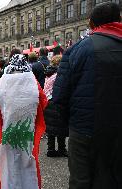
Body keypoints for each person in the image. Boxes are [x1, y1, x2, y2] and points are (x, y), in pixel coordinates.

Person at [52, 3, 122, 188]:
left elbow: (59, 95)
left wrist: (69, 125)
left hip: (84, 129)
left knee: (81, 181)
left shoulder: (78, 49)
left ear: (91, 24)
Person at [0, 54, 47, 189]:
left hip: (9, 125)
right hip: (28, 127)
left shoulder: (4, 80)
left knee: (9, 158)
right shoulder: (32, 80)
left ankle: (9, 184)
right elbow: (43, 101)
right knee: (28, 156)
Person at [43, 55, 68, 157]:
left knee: (51, 127)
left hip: (48, 101)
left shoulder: (48, 73)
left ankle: (51, 149)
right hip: (57, 101)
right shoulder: (59, 74)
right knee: (60, 126)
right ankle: (61, 149)